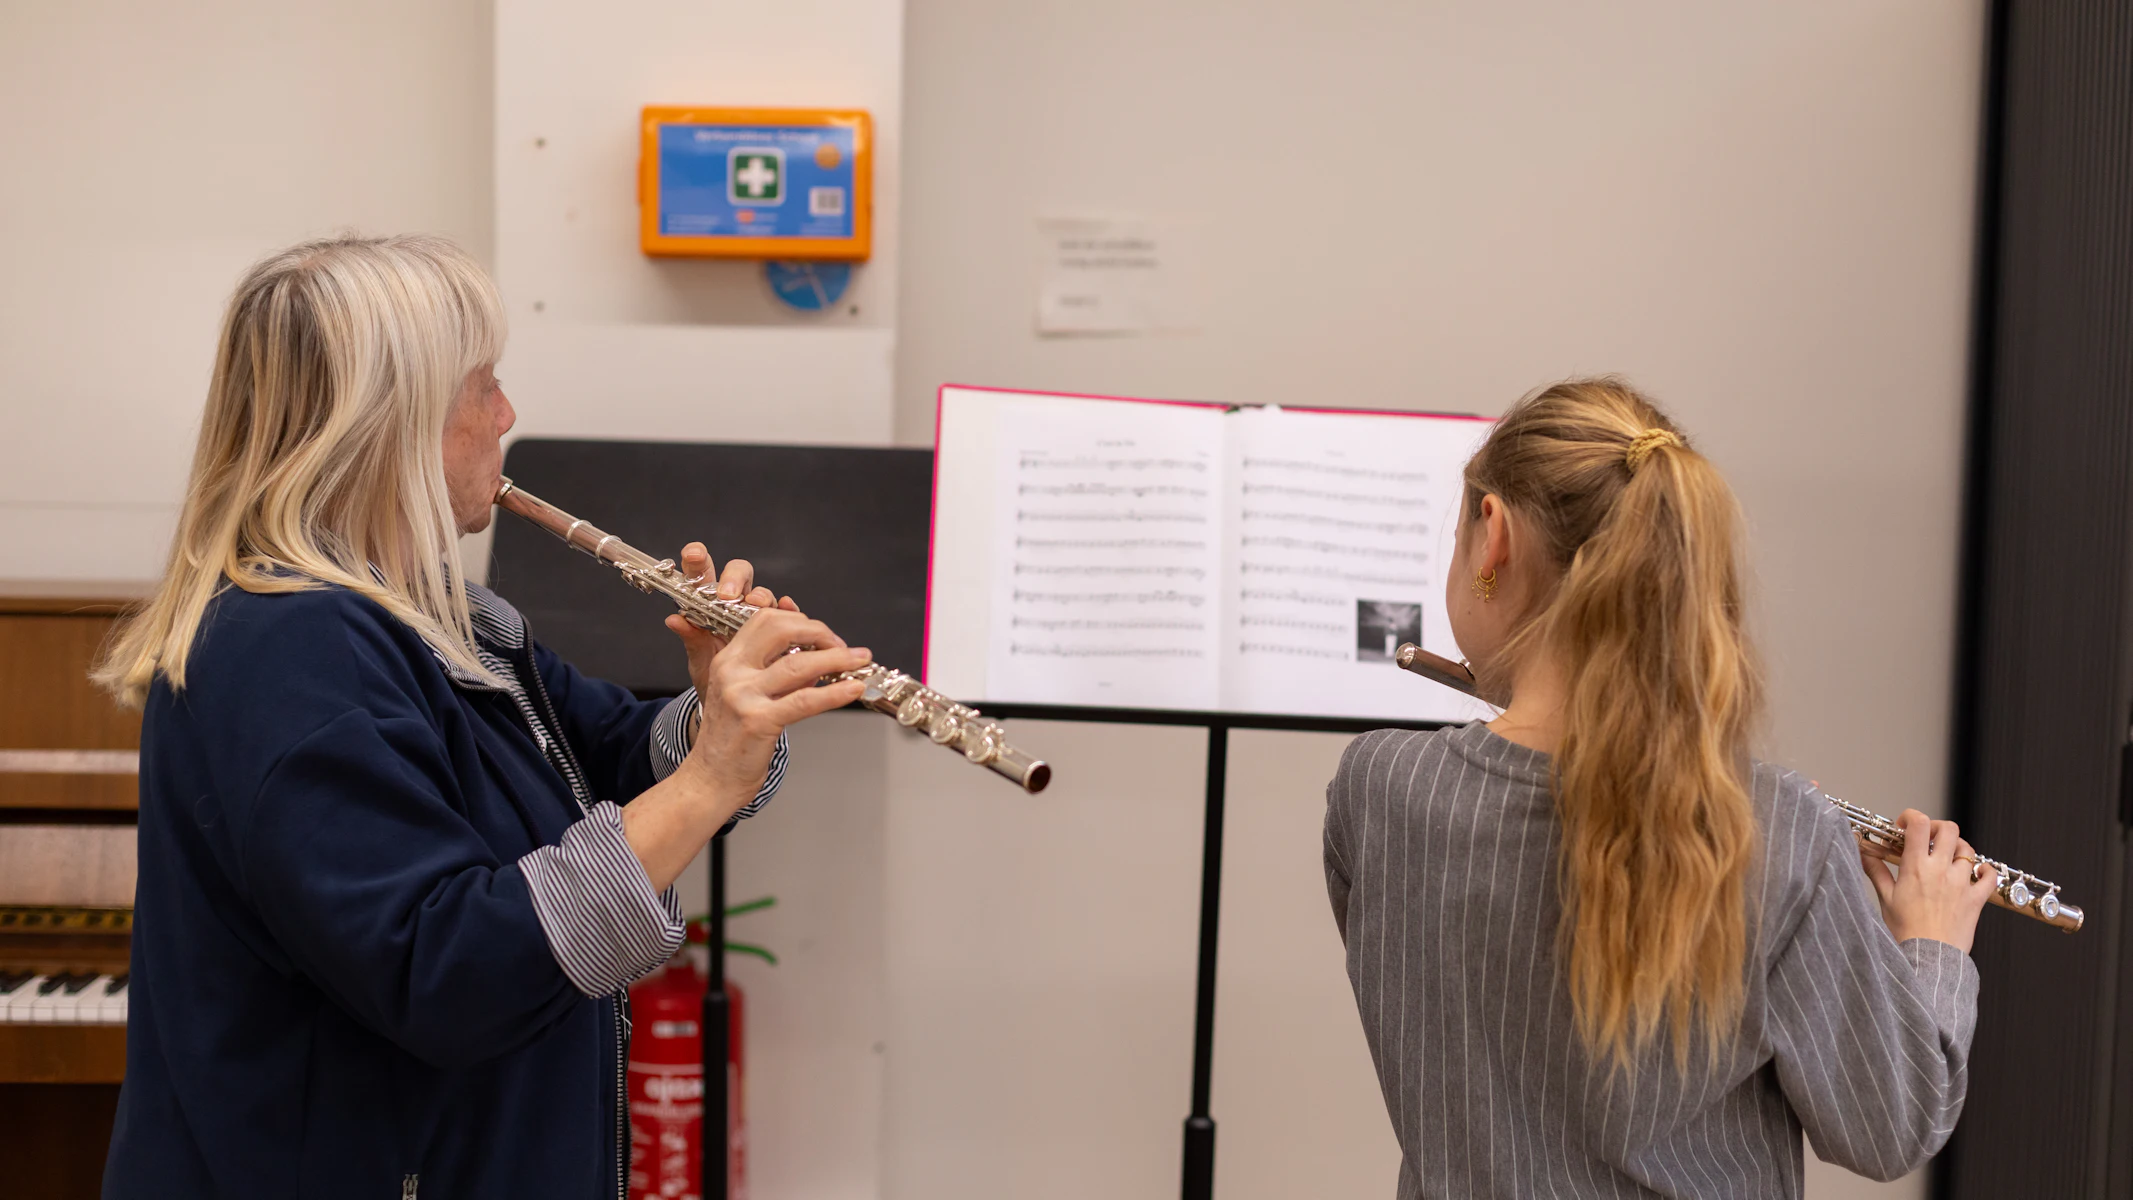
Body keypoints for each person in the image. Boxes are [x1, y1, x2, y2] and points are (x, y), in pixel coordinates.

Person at [92, 234, 870, 1199]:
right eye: (482, 386)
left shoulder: (438, 614)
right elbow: (447, 970)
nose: (507, 414)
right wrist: (711, 773)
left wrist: (720, 711)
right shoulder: (290, 647)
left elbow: (608, 757)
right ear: (390, 423)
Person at [1324, 379, 1997, 1198]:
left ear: (1491, 535)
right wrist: (1928, 942)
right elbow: (1889, 1129)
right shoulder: (1781, 833)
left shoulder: (1378, 792)